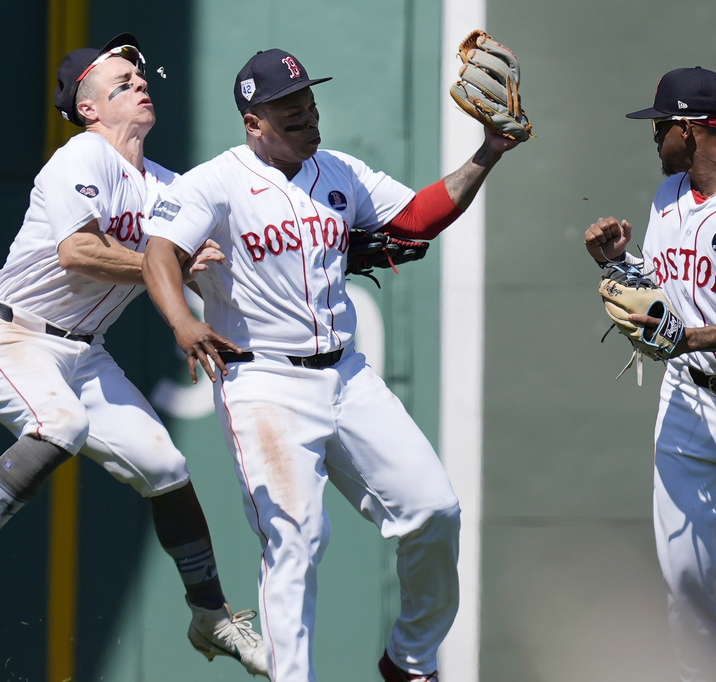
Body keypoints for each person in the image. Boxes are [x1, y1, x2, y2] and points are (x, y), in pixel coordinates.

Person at [141, 48, 520, 682]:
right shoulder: (214, 182)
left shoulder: (338, 172)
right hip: (263, 381)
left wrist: (489, 152)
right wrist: (181, 319)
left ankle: (411, 661)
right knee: (296, 540)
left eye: (310, 103)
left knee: (433, 510)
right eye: (291, 111)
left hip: (346, 374)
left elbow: (417, 220)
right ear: (253, 120)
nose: (308, 117)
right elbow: (159, 252)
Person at [0, 33, 268, 677]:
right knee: (62, 425)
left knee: (165, 465)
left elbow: (236, 238)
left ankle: (209, 613)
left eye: (140, 77)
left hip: (85, 354)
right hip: (9, 336)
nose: (139, 81)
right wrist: (169, 268)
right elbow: (78, 253)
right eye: (120, 82)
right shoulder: (79, 156)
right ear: (88, 109)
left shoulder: (165, 184)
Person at [584, 66, 716, 682]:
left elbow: (686, 328)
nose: (654, 140)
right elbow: (663, 300)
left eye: (660, 129)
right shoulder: (667, 197)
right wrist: (622, 263)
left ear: (690, 129)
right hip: (685, 399)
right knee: (683, 576)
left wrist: (690, 337)